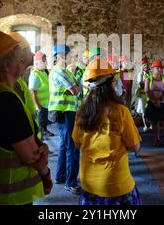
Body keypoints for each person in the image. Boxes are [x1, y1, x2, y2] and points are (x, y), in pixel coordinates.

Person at [0, 30, 52, 205]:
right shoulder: (4, 100)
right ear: (6, 63)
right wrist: (46, 174)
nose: (22, 58)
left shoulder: (3, 91)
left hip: (1, 196)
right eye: (17, 53)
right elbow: (32, 157)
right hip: (9, 197)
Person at [72, 58, 142, 205]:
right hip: (116, 183)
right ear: (110, 83)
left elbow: (77, 144)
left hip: (89, 183)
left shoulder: (82, 111)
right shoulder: (121, 111)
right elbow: (134, 146)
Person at [48, 44, 81, 194]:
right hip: (66, 112)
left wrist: (75, 84)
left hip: (61, 112)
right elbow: (75, 90)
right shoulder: (61, 72)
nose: (71, 57)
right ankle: (71, 183)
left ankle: (60, 176)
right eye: (69, 54)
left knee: (63, 145)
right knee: (72, 148)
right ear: (61, 56)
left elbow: (73, 89)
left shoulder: (57, 71)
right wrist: (77, 84)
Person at [9, 32, 43, 140]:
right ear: (20, 53)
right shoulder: (14, 83)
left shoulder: (18, 80)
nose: (33, 54)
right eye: (29, 50)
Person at [145, 60, 164, 147]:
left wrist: (160, 100)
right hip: (152, 103)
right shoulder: (148, 79)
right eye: (157, 68)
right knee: (154, 122)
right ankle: (156, 139)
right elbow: (147, 91)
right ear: (153, 69)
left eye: (161, 68)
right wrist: (155, 100)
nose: (160, 70)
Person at [29, 51, 54, 137]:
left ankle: (45, 131)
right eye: (43, 60)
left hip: (46, 104)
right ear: (36, 63)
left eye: (45, 60)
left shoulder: (44, 72)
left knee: (44, 122)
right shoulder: (35, 74)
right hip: (40, 105)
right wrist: (38, 106)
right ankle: (40, 140)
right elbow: (32, 92)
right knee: (39, 126)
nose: (46, 62)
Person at [135, 58, 151, 132]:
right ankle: (145, 125)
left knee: (151, 110)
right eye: (144, 65)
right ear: (142, 66)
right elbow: (140, 83)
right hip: (143, 94)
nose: (146, 66)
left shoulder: (150, 73)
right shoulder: (140, 74)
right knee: (144, 111)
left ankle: (151, 124)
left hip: (150, 94)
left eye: (147, 65)